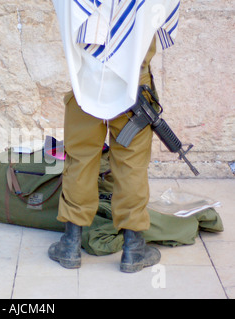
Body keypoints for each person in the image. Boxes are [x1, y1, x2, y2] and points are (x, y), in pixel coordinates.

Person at [49, 0, 181, 272]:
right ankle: (133, 249)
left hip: (85, 77)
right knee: (131, 164)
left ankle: (70, 246)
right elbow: (163, 13)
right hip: (134, 80)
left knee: (80, 161)